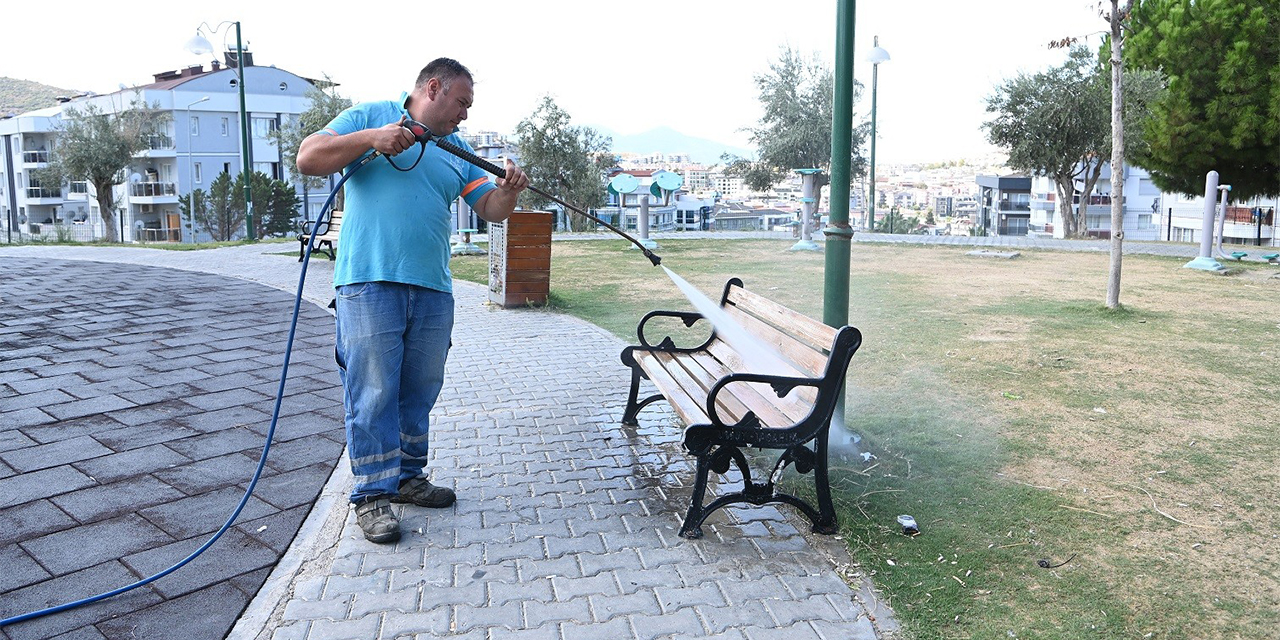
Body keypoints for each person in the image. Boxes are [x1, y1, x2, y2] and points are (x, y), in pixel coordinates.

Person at [296, 58, 529, 543]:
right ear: (434, 87)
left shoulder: (457, 148)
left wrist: (508, 192)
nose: (464, 114)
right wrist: (372, 139)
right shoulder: (368, 116)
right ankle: (371, 495)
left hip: (432, 288)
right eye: (462, 103)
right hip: (368, 281)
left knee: (420, 387)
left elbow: (490, 209)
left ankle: (406, 477)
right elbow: (309, 157)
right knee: (373, 388)